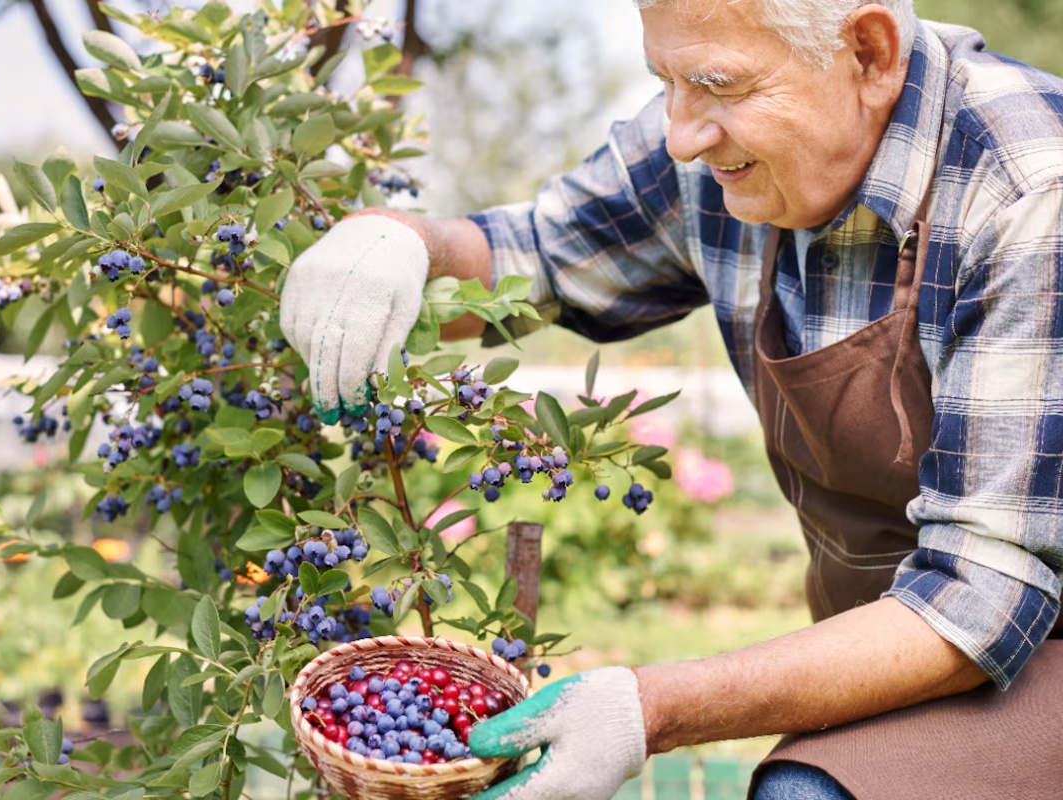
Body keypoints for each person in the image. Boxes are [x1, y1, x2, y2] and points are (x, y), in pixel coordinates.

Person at [279, 1, 1063, 797]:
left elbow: (979, 604)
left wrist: (648, 708)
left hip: (1026, 632)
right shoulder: (725, 148)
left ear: (867, 52)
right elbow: (535, 255)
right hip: (905, 632)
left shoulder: (1028, 188)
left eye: (717, 86)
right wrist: (404, 242)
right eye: (667, 81)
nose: (683, 136)